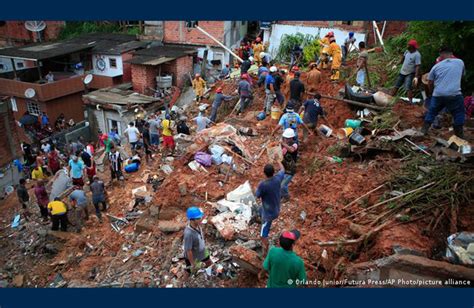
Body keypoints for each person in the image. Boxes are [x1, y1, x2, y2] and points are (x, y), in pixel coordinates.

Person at [421, 47, 466, 138]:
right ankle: (459, 134)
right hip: (454, 94)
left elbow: (429, 82)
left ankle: (423, 131)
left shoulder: (436, 66)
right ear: (451, 54)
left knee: (432, 112)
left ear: (441, 55)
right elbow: (461, 76)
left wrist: (431, 92)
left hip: (438, 94)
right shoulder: (460, 62)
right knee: (458, 112)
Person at [255, 163, 285, 256]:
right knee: (260, 209)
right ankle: (259, 219)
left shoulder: (263, 185)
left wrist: (255, 188)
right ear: (273, 172)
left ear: (264, 173)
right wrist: (278, 161)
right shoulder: (277, 179)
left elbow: (257, 195)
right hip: (276, 208)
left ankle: (265, 252)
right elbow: (283, 170)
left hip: (269, 214)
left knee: (263, 235)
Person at [391, 39, 422, 104]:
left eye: (409, 45)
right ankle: (390, 98)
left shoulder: (417, 55)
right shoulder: (407, 51)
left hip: (410, 73)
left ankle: (410, 102)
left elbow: (417, 66)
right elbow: (402, 60)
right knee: (396, 85)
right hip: (402, 72)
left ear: (412, 46)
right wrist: (396, 65)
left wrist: (416, 76)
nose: (407, 46)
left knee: (408, 87)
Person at [183, 206, 212, 274]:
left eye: (200, 217)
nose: (200, 219)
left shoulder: (197, 225)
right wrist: (193, 264)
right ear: (192, 220)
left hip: (202, 251)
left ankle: (209, 270)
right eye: (198, 218)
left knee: (208, 262)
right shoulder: (188, 234)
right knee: (193, 271)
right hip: (194, 257)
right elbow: (188, 250)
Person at [280, 128, 298, 202]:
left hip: (290, 169)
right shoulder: (285, 144)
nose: (286, 140)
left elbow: (291, 150)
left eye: (287, 138)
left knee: (282, 185)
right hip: (284, 167)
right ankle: (282, 195)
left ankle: (286, 197)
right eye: (285, 138)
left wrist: (283, 144)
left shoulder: (295, 144)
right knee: (282, 183)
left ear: (291, 138)